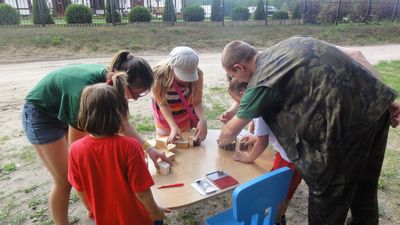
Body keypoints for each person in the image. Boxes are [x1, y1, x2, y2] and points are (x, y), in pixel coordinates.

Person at [218, 36, 399, 225]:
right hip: (375, 109)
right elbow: (356, 54)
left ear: (239, 68)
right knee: (365, 188)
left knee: (329, 197)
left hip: (344, 133)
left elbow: (230, 132)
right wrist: (387, 97)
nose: (235, 79)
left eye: (233, 75)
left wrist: (220, 141)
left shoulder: (261, 81)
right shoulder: (294, 42)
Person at [22, 50, 171, 225]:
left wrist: (150, 150)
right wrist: (94, 207)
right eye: (137, 94)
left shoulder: (113, 85)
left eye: (143, 94)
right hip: (41, 113)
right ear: (125, 83)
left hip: (66, 104)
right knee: (64, 180)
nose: (137, 99)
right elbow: (79, 154)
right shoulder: (87, 95)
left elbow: (124, 125)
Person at [68, 80, 170, 225]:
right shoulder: (130, 146)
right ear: (119, 113)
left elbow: (80, 187)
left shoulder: (75, 149)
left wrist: (90, 209)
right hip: (138, 219)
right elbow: (142, 192)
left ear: (84, 113)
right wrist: (155, 212)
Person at [224, 77, 302, 225]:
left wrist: (249, 157)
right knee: (285, 190)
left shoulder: (258, 111)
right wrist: (254, 137)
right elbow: (268, 132)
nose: (241, 106)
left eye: (240, 102)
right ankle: (280, 217)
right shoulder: (267, 97)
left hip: (288, 157)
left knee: (278, 192)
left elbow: (263, 142)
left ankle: (276, 220)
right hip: (297, 154)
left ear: (243, 94)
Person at [151, 46, 207, 143]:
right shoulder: (158, 77)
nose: (187, 80)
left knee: (184, 143)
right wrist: (173, 126)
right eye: (184, 76)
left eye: (190, 76)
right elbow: (162, 103)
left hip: (185, 117)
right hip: (164, 120)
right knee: (167, 146)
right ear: (172, 68)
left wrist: (202, 120)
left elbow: (197, 102)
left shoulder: (198, 75)